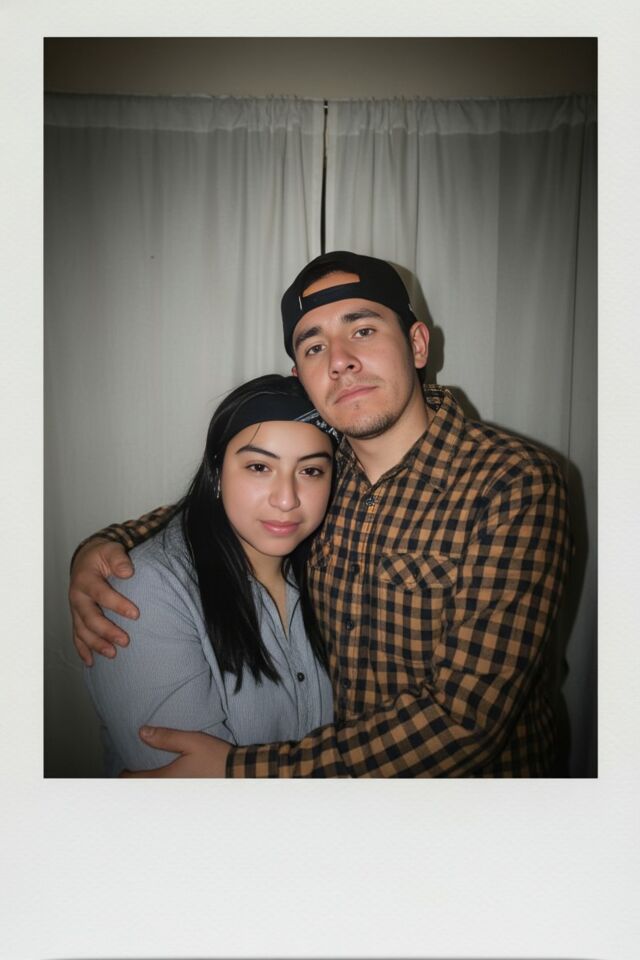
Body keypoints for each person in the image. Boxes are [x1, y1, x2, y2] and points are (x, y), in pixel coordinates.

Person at [70, 251, 571, 777]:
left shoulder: (511, 482)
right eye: (315, 346)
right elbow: (222, 502)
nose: (340, 361)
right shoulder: (324, 475)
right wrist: (101, 549)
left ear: (418, 344)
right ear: (301, 379)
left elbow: (465, 722)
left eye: (363, 330)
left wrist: (242, 771)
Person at [80, 374, 337, 775]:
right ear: (217, 472)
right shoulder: (146, 592)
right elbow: (183, 785)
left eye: (311, 471)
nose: (287, 499)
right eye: (259, 467)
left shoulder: (332, 565)